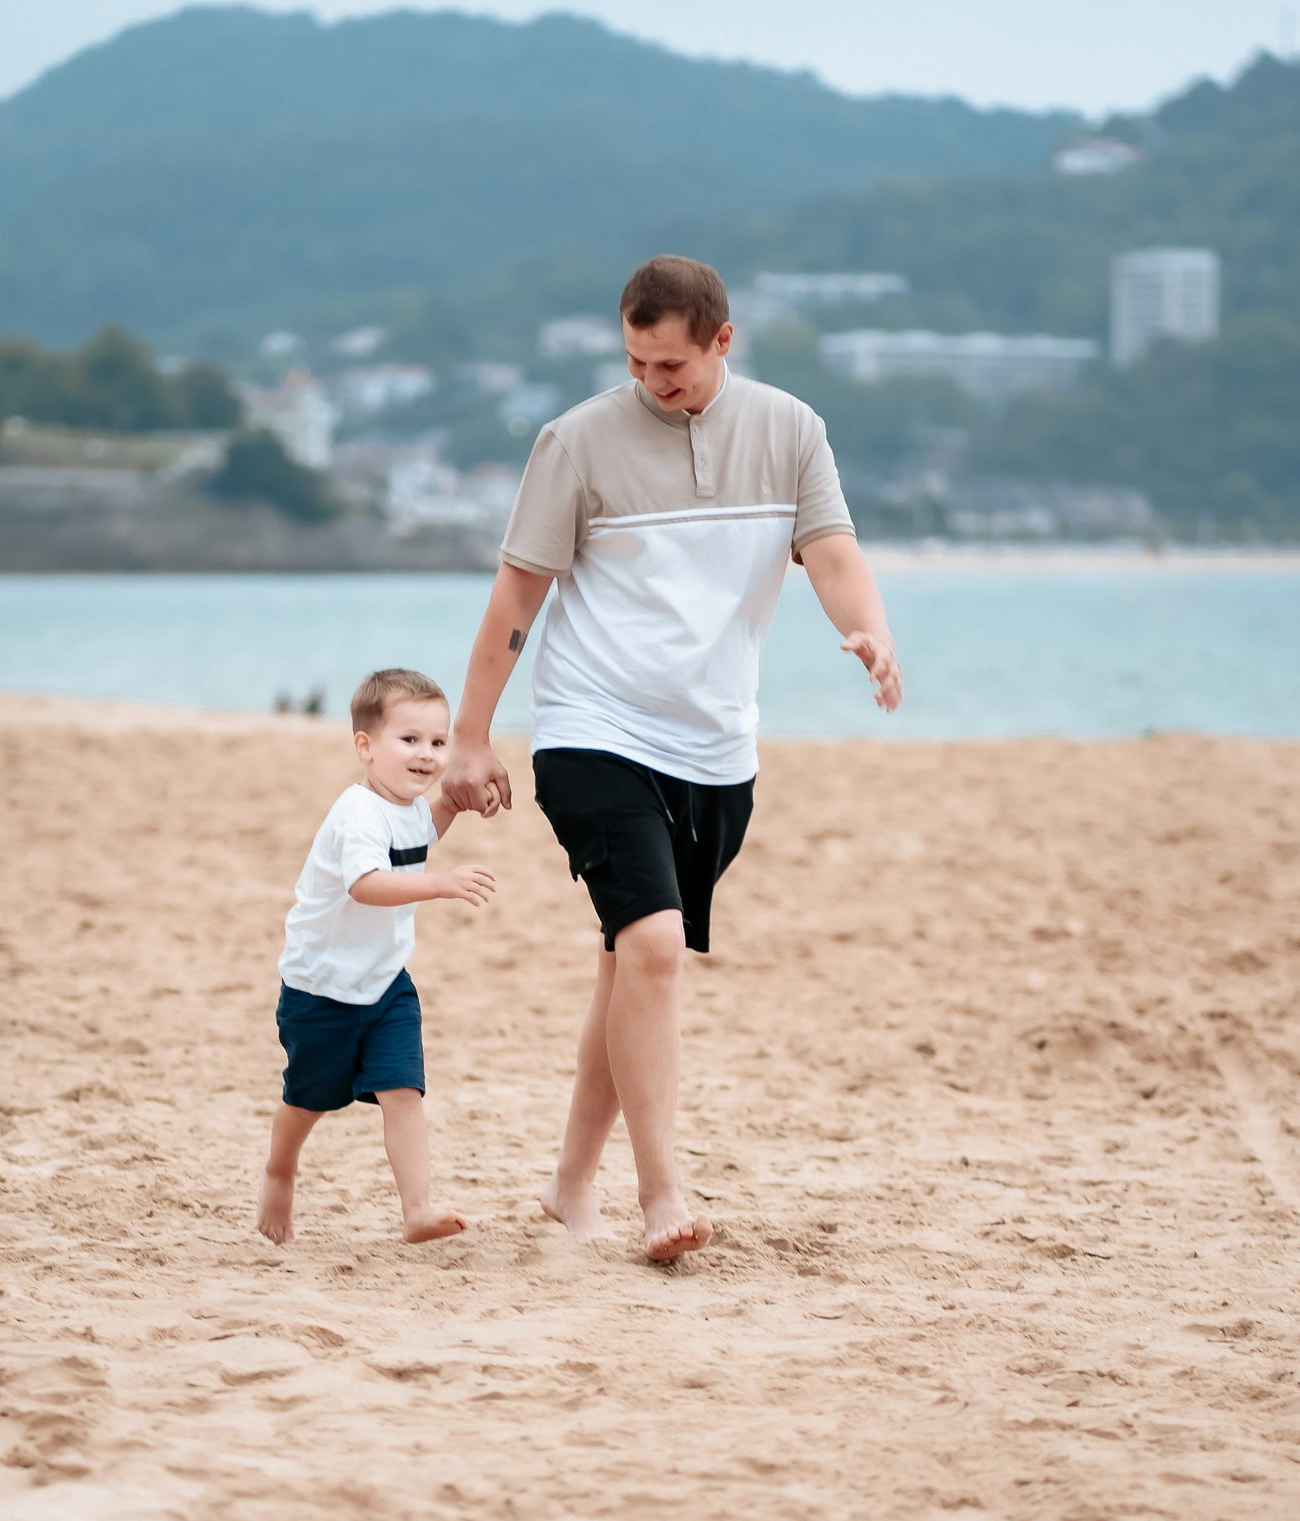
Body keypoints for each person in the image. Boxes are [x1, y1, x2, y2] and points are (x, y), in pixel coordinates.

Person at [440, 255, 902, 1261]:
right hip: (592, 727)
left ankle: (568, 1187)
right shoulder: (575, 443)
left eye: (673, 366)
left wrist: (867, 629)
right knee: (651, 948)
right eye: (638, 363)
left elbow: (829, 552)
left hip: (716, 748)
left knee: (626, 964)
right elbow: (515, 598)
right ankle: (661, 1194)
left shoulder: (789, 432)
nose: (654, 383)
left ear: (722, 342)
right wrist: (471, 735)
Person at [258, 669, 494, 1246]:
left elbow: (418, 838)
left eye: (438, 743)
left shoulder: (408, 804)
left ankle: (418, 1209)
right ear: (365, 747)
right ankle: (279, 1169)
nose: (427, 755)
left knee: (403, 1089)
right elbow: (366, 882)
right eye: (409, 740)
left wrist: (453, 805)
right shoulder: (357, 813)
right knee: (308, 1098)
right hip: (322, 988)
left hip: (386, 983)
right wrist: (439, 885)